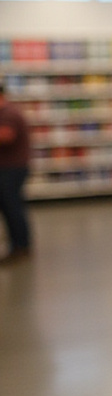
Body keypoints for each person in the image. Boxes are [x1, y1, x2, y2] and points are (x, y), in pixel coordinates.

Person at [0, 81, 32, 262]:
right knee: (10, 206)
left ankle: (20, 246)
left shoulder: (8, 113)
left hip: (11, 168)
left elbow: (6, 136)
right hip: (9, 168)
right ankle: (17, 244)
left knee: (12, 207)